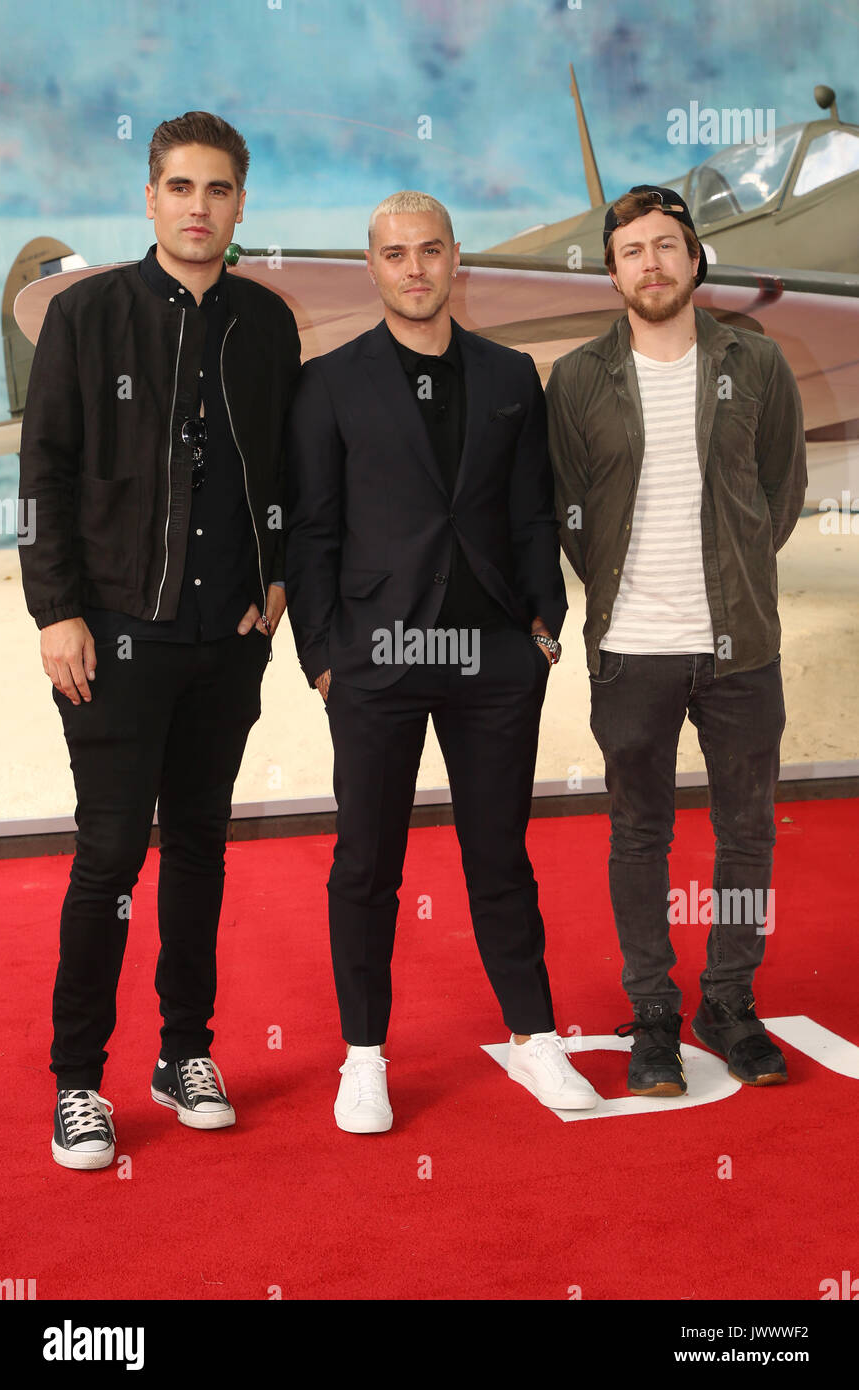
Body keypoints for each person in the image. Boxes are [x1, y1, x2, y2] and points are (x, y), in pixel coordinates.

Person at [18, 111, 300, 1169]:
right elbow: (41, 475)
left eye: (218, 189)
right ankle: (79, 1080)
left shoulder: (266, 325)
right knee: (108, 854)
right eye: (179, 187)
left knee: (199, 848)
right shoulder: (86, 317)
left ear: (238, 203)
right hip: (113, 638)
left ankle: (184, 1051)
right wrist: (55, 611)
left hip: (224, 642)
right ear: (149, 198)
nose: (198, 206)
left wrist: (277, 583)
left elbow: (285, 474)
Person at [284, 189, 597, 1132]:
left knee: (499, 854)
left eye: (430, 251)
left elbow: (534, 510)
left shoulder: (510, 376)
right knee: (366, 861)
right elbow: (312, 531)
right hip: (376, 655)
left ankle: (537, 1041)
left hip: (496, 655)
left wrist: (545, 622)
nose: (414, 269)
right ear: (371, 267)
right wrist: (325, 655)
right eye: (394, 254)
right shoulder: (329, 382)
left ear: (457, 259)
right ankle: (364, 1057)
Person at [546, 185, 806, 1097]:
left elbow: (778, 492)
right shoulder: (578, 378)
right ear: (613, 271)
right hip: (632, 648)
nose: (650, 263)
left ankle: (728, 1001)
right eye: (631, 251)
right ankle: (653, 1010)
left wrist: (730, 579)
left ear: (696, 259)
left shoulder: (758, 364)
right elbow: (571, 511)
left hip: (741, 648)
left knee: (745, 835)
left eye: (666, 245)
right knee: (638, 834)